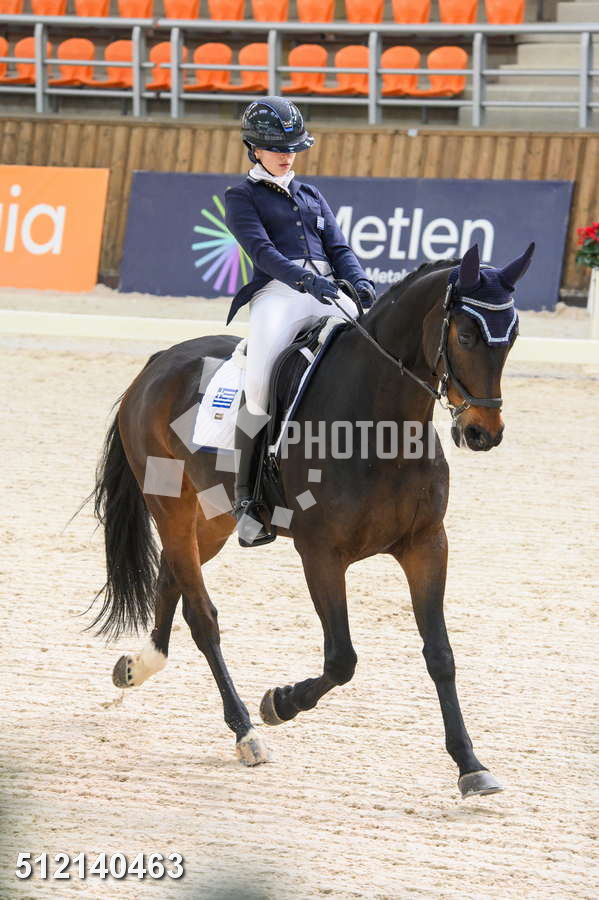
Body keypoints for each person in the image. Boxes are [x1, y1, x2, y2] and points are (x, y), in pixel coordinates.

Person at [224, 96, 376, 546]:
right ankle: (247, 501)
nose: (286, 155)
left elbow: (339, 248)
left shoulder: (311, 194)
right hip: (279, 293)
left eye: (292, 147)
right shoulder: (241, 196)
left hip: (329, 289)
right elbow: (262, 252)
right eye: (276, 148)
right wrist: (306, 280)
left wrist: (359, 280)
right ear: (254, 149)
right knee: (260, 382)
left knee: (375, 351)